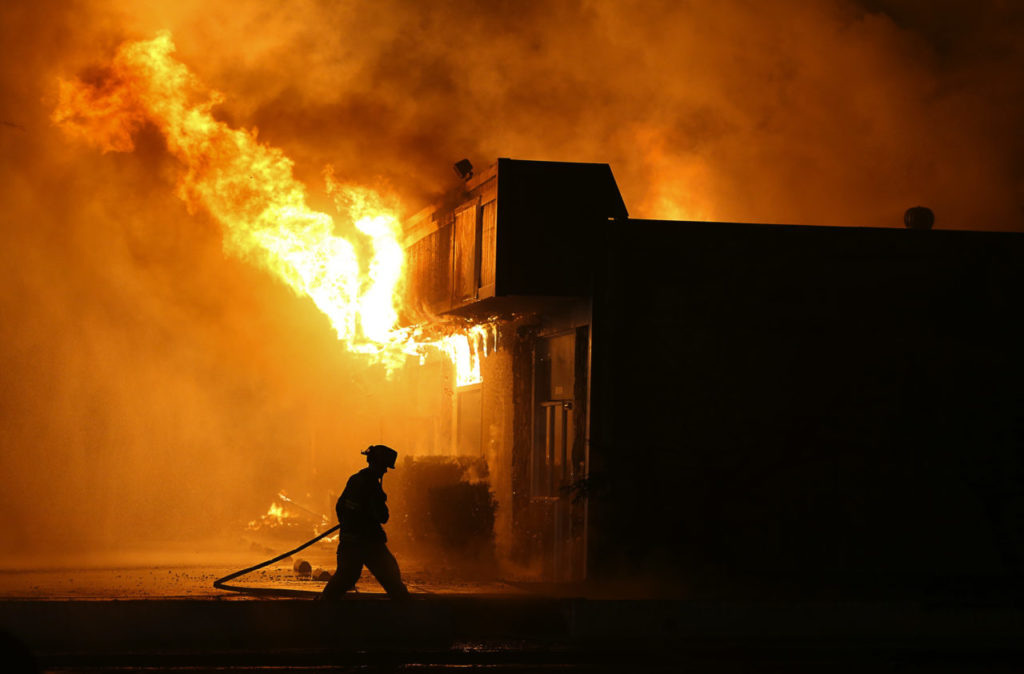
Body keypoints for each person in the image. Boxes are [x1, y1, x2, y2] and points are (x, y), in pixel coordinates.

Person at [321, 444, 410, 600]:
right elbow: (383, 517)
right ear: (378, 463)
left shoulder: (354, 480)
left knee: (344, 578)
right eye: (384, 466)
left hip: (349, 542)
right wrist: (381, 500)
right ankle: (408, 614)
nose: (385, 470)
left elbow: (340, 506)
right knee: (391, 577)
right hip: (369, 544)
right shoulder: (372, 486)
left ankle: (322, 610)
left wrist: (348, 526)